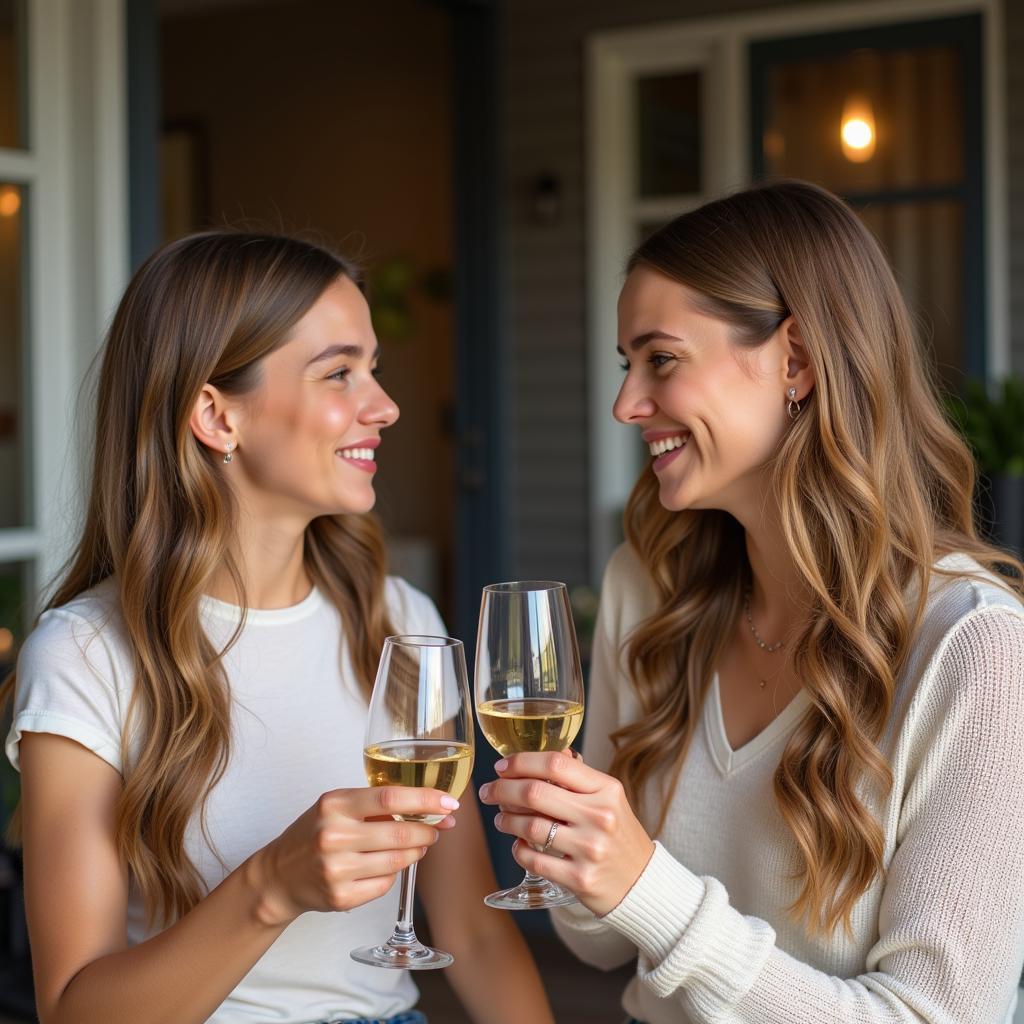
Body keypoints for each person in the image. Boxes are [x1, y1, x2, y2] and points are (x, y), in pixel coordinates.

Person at [478, 180, 1024, 1023]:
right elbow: (595, 941)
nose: (627, 404)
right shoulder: (647, 584)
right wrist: (574, 851)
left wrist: (646, 885)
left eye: (661, 359)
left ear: (795, 361)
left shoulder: (973, 647)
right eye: (629, 366)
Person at [2, 231, 554, 1024]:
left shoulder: (398, 622)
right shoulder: (86, 654)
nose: (385, 406)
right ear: (216, 416)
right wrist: (271, 887)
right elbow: (75, 1010)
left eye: (375, 369)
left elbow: (471, 929)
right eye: (340, 373)